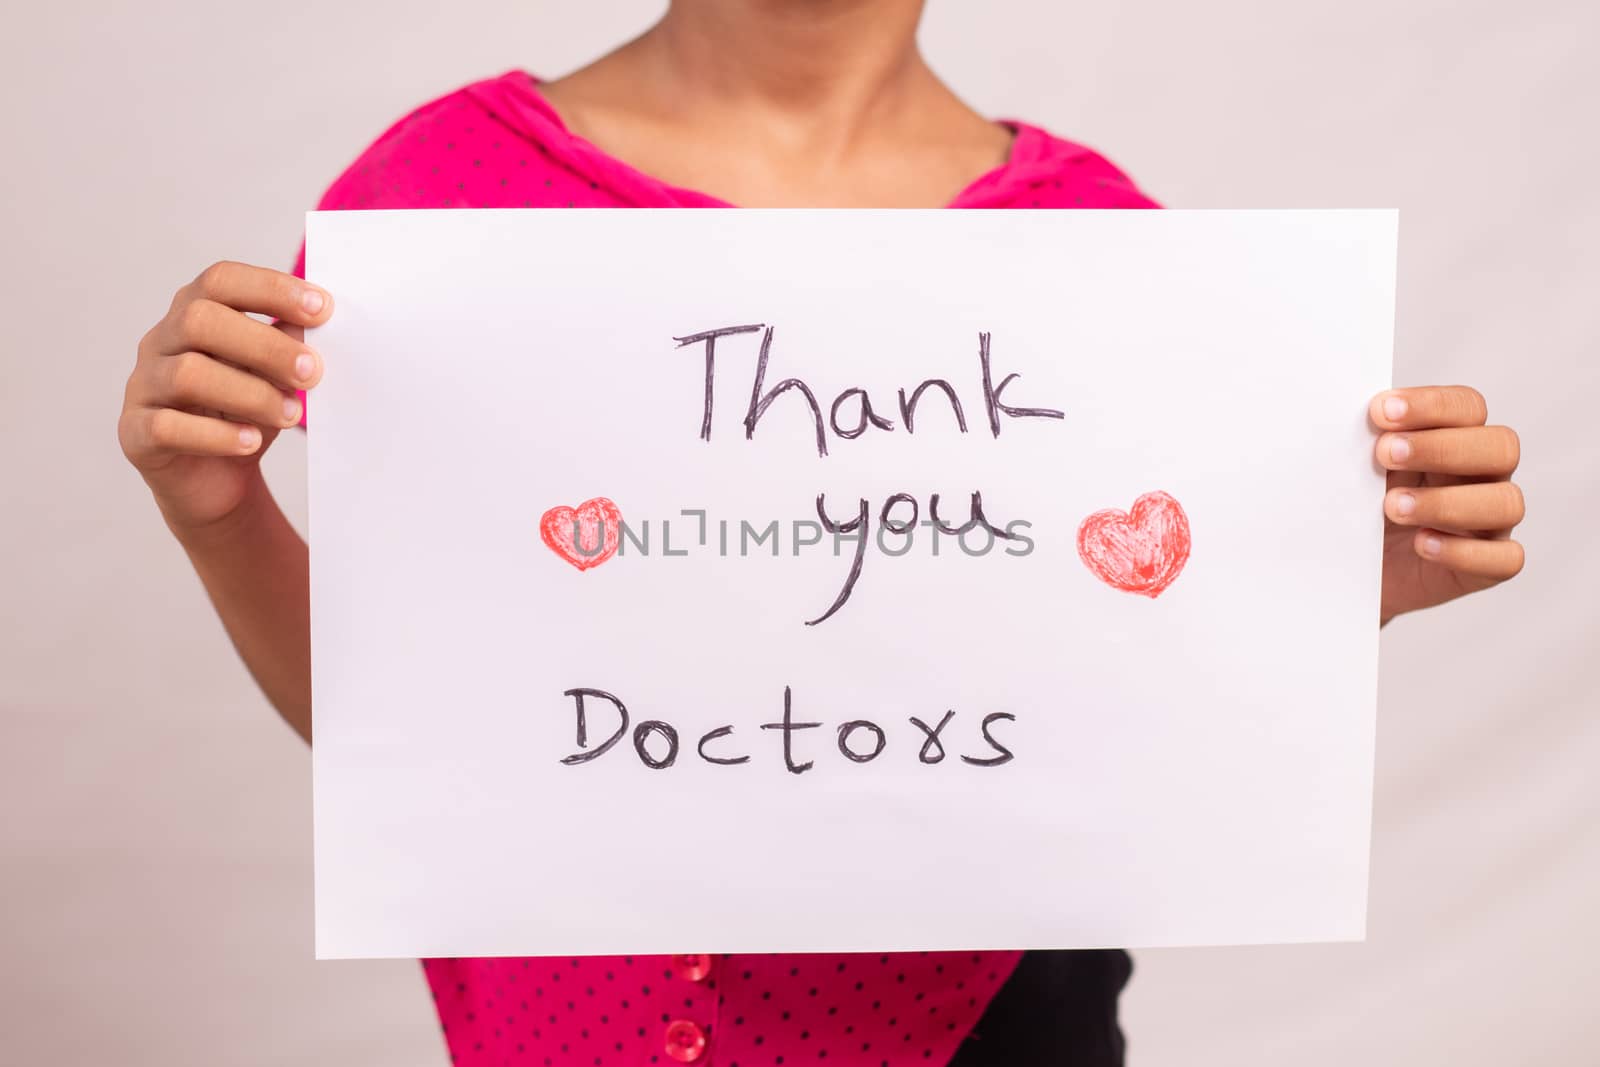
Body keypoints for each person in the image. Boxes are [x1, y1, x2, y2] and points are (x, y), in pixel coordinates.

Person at [116, 2, 1527, 1064]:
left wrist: (1339, 588)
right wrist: (219, 513)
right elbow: (416, 740)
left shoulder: (1107, 251)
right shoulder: (432, 196)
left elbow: (1115, 716)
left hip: (987, 1023)